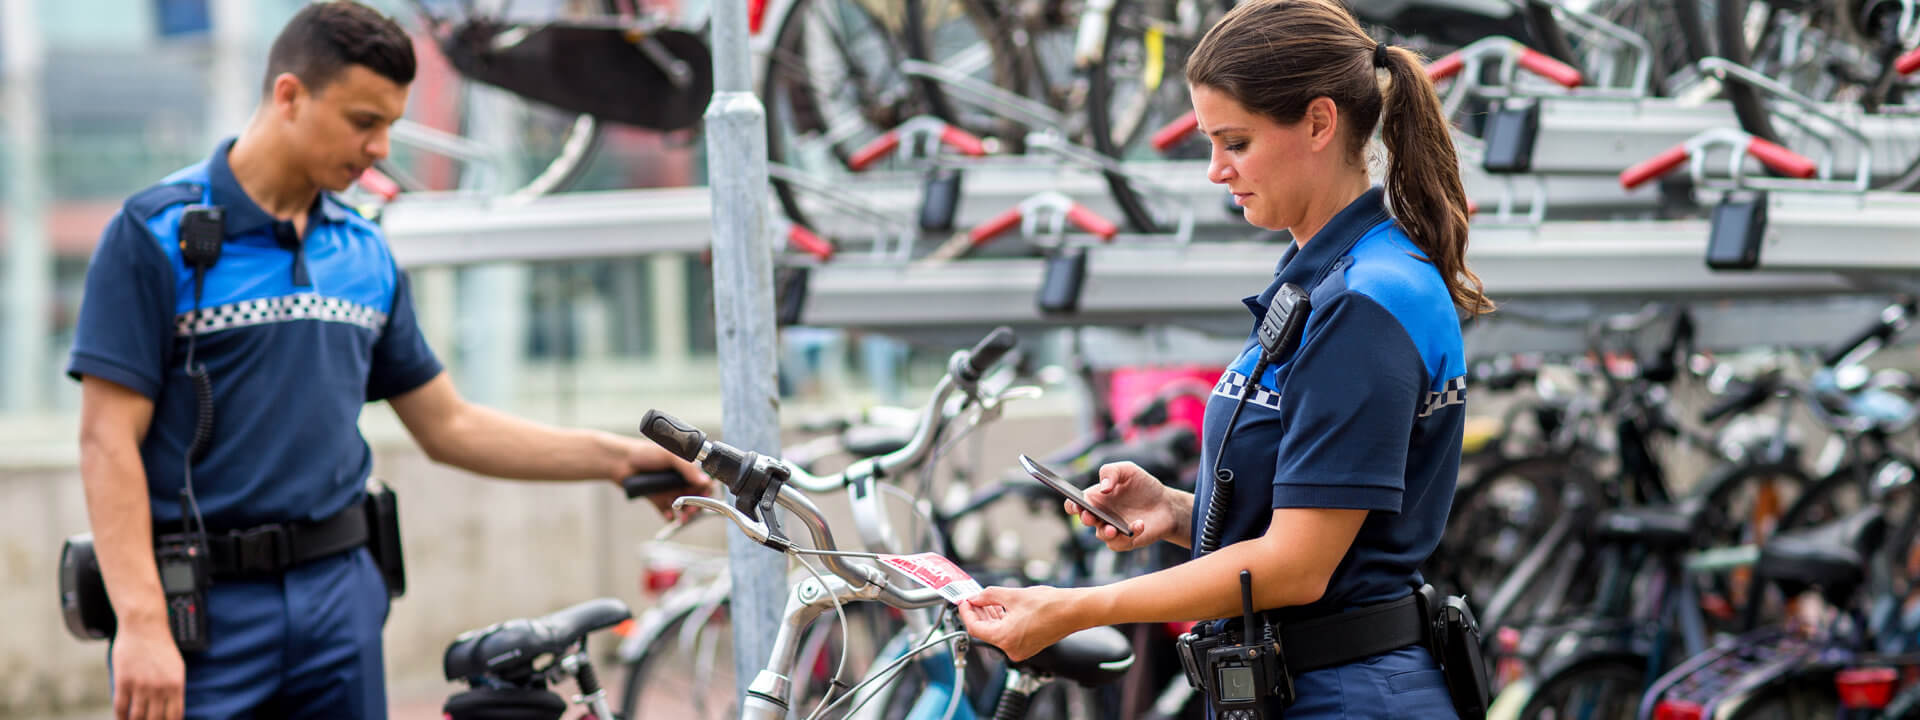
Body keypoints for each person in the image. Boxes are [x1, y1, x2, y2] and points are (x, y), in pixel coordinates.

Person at [65, 3, 709, 719]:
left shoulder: (364, 252)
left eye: (391, 125)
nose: (379, 148)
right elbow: (105, 440)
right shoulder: (155, 235)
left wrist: (620, 459)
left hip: (340, 602)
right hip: (204, 616)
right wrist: (142, 623)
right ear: (289, 96)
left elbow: (450, 426)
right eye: (363, 121)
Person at [957, 0, 1494, 717]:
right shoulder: (1335, 276)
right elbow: (1321, 518)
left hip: (1342, 693)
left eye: (1234, 142)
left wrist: (1073, 609)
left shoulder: (1364, 301)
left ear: (1318, 122)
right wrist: (1179, 511)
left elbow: (1300, 567)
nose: (1216, 170)